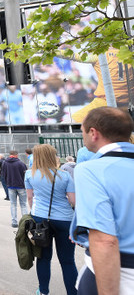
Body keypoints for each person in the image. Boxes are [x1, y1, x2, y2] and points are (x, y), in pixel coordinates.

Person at [70, 107, 134, 294]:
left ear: (93, 133)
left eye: (82, 131)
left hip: (119, 272)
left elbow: (104, 241)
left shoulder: (90, 170)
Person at [25, 144, 77, 295]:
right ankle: (72, 292)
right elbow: (73, 200)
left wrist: (34, 211)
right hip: (64, 219)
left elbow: (30, 197)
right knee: (67, 261)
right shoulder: (65, 175)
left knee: (43, 258)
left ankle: (43, 291)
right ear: (52, 156)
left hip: (40, 218)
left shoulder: (29, 174)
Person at [1, 150, 28, 228]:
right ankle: (25, 222)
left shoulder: (5, 163)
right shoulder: (21, 163)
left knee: (13, 204)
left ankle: (14, 222)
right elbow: (25, 175)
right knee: (23, 204)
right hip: (21, 186)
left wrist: (7, 183)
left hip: (11, 186)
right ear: (16, 155)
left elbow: (4, 174)